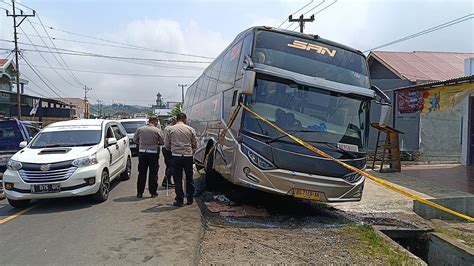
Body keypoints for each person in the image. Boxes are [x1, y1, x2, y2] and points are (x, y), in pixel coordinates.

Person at [164, 113, 197, 207]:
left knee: (177, 179)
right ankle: (190, 198)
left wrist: (173, 149)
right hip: (188, 156)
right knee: (189, 178)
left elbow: (167, 145)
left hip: (176, 156)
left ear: (177, 119)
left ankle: (179, 200)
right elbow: (194, 144)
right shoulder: (190, 129)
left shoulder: (170, 129)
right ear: (184, 119)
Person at [133, 116, 164, 198]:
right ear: (155, 121)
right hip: (153, 153)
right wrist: (155, 144)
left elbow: (135, 139)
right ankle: (153, 192)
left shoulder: (140, 129)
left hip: (142, 152)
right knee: (153, 173)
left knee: (142, 173)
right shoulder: (157, 130)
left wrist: (141, 144)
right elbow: (162, 142)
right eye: (157, 121)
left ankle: (140, 192)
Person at [161, 117, 176, 188]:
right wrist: (169, 149)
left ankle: (168, 181)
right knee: (171, 166)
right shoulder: (170, 128)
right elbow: (168, 141)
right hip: (168, 149)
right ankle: (165, 181)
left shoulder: (167, 128)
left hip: (166, 148)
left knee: (168, 166)